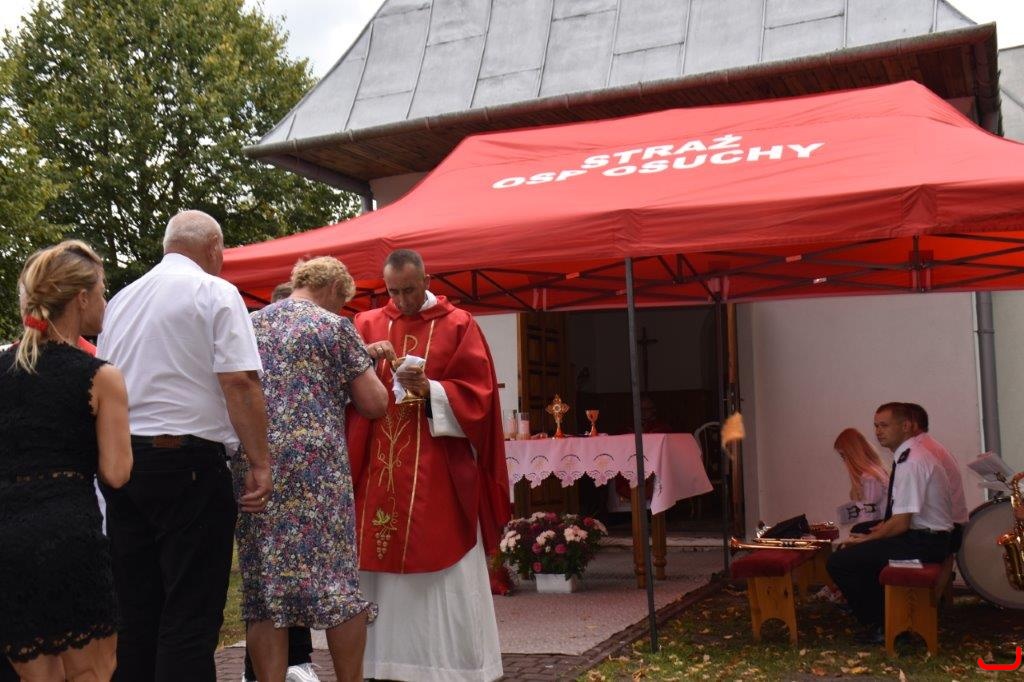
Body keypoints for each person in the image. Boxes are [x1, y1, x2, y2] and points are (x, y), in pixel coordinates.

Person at [97, 210, 273, 682]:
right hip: (188, 463)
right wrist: (260, 462)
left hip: (124, 462)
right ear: (214, 249)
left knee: (136, 615)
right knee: (190, 615)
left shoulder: (122, 299)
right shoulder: (215, 291)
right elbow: (239, 381)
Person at [347, 249, 510, 681]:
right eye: (393, 291)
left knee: (443, 566)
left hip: (436, 468)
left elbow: (479, 396)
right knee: (376, 569)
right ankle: (382, 664)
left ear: (427, 281)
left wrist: (432, 389)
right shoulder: (366, 324)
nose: (401, 300)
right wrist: (365, 359)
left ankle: (447, 667)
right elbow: (339, 386)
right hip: (376, 468)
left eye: (409, 289)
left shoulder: (458, 324)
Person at [236, 258, 387, 682]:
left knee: (265, 593)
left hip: (256, 464)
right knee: (337, 585)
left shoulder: (250, 324)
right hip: (317, 471)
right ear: (335, 290)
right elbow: (374, 403)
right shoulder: (335, 327)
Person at [0, 240, 133, 681]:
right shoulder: (100, 375)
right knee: (92, 671)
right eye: (102, 291)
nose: (105, 302)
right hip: (69, 534)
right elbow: (116, 473)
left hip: (8, 536)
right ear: (81, 298)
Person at [241, 277, 319, 682]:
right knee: (264, 577)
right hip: (261, 471)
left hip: (299, 476)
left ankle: (298, 658)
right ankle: (255, 670)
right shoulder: (248, 337)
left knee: (295, 572)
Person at [826, 402, 954, 644]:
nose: (878, 432)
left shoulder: (912, 462)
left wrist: (867, 540)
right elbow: (899, 518)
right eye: (876, 426)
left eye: (884, 426)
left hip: (926, 543)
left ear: (905, 426)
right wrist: (874, 533)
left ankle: (884, 624)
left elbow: (902, 523)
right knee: (860, 536)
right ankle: (888, 613)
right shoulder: (910, 455)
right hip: (925, 536)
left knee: (839, 562)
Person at [904, 403, 969, 551]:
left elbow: (912, 501)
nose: (879, 432)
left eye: (887, 425)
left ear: (912, 425)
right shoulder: (928, 445)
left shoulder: (920, 451)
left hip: (942, 529)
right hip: (949, 524)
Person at [834, 428, 889, 533]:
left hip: (877, 530)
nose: (844, 461)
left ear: (852, 454)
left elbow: (869, 513)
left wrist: (856, 536)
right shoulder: (875, 471)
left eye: (843, 456)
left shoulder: (870, 477)